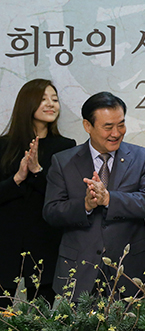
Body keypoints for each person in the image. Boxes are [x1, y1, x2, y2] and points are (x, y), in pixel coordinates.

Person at [43, 92, 145, 301]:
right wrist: (85, 205)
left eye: (121, 125)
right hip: (78, 270)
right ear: (88, 126)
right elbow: (51, 212)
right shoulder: (63, 162)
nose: (116, 133)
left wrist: (109, 199)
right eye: (108, 127)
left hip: (131, 271)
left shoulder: (143, 158)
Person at [0, 79, 76, 307]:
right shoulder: (3, 145)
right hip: (6, 242)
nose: (51, 104)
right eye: (43, 99)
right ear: (27, 103)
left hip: (46, 242)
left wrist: (37, 171)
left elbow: (65, 196)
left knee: (41, 315)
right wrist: (18, 178)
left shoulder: (65, 146)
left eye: (54, 99)